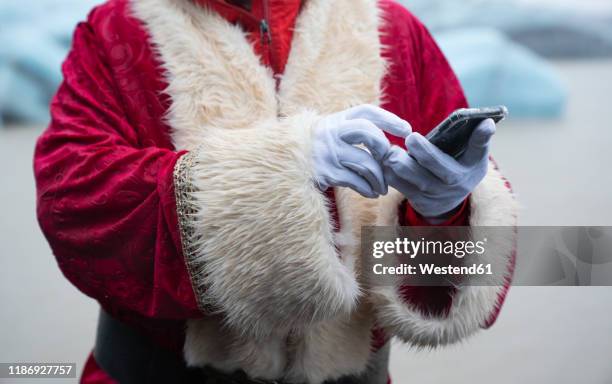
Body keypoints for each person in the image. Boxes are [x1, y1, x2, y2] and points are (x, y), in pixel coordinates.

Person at [34, 0, 518, 383]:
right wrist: (279, 169)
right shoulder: (114, 30)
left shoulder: (397, 30)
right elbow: (74, 200)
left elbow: (458, 249)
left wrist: (442, 212)